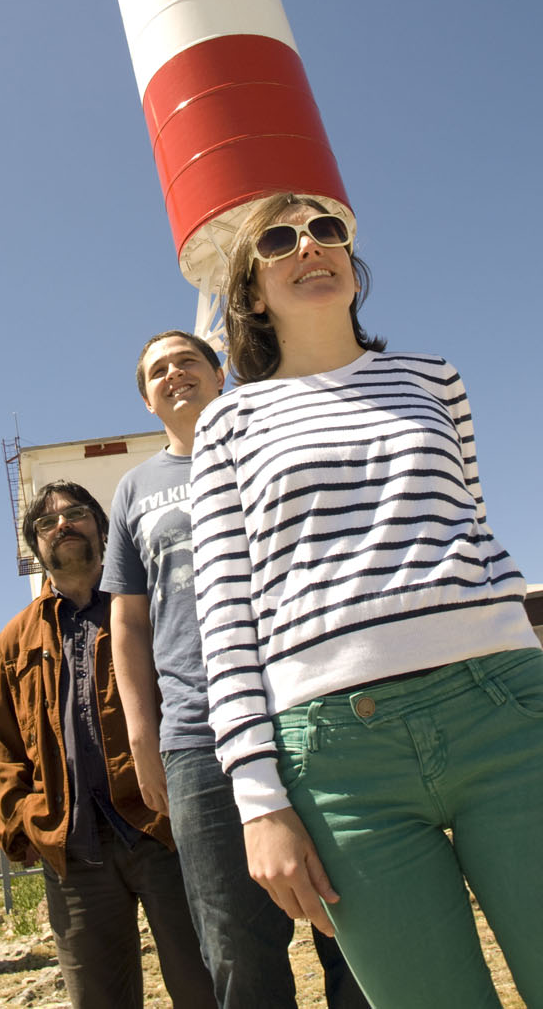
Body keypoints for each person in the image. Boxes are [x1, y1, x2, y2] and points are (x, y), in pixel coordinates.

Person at [190, 190, 543, 1009]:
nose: (311, 245)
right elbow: (225, 617)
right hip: (336, 754)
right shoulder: (227, 423)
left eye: (327, 230)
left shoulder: (433, 378)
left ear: (351, 260)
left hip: (504, 708)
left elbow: (470, 520)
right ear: (251, 293)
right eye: (279, 239)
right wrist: (259, 799)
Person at [103, 329, 368, 1009]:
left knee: (357, 921)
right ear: (147, 399)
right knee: (234, 944)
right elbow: (128, 623)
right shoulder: (134, 490)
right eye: (158, 370)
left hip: (308, 705)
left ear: (220, 373)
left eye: (187, 360)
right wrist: (142, 734)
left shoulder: (270, 446)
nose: (174, 373)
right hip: (197, 735)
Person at [0, 480, 216, 1009]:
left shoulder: (146, 605)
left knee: (205, 986)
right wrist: (24, 819)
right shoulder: (14, 641)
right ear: (36, 547)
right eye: (46, 522)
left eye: (76, 513)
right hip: (74, 849)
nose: (62, 524)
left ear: (103, 531)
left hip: (164, 831)